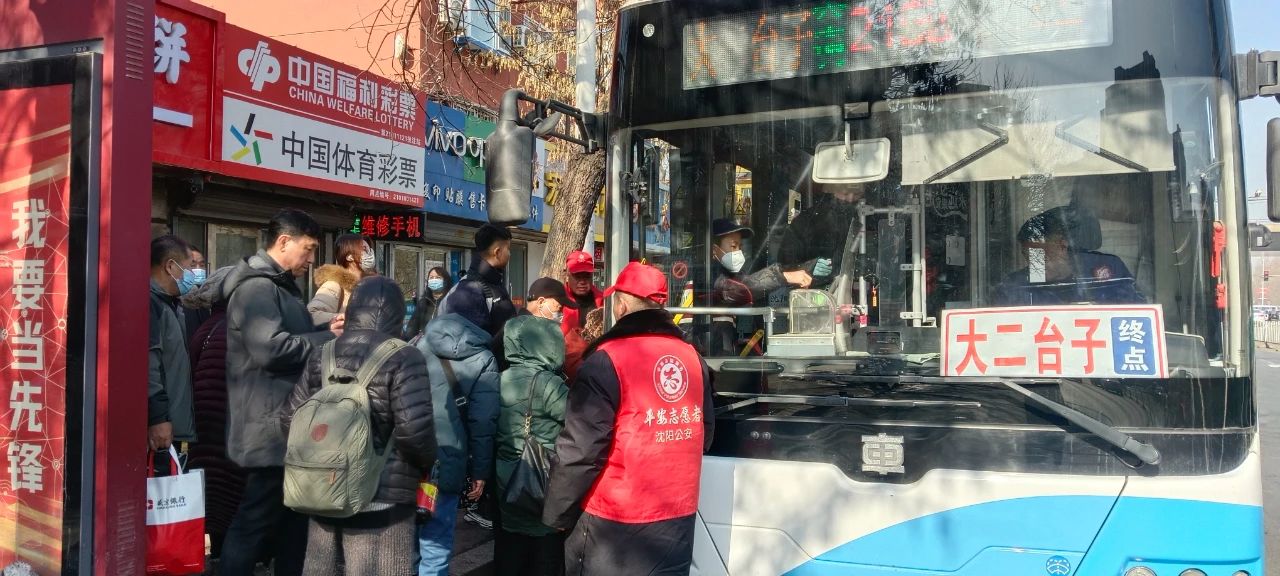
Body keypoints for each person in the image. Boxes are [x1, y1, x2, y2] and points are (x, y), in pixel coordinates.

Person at [543, 262, 715, 576]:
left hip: (612, 525)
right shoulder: (692, 357)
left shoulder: (607, 359)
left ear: (621, 305)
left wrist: (556, 513)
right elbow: (706, 432)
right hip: (677, 518)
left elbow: (580, 451)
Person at [284, 276, 437, 576]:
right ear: (398, 314)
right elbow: (414, 433)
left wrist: (323, 460)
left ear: (352, 309)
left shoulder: (323, 353)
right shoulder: (405, 356)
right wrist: (429, 462)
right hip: (383, 500)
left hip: (323, 493)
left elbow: (290, 419)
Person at [219, 209, 342, 576]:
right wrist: (327, 338)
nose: (311, 259)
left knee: (292, 523)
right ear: (284, 242)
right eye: (309, 249)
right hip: (269, 428)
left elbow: (289, 337)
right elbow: (271, 349)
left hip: (284, 424)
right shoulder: (257, 287)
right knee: (255, 521)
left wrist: (324, 328)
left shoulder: (279, 286)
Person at [416, 310, 501, 576]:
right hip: (448, 461)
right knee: (436, 545)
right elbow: (483, 422)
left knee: (405, 542)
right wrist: (480, 472)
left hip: (410, 454)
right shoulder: (484, 358)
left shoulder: (418, 345)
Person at [494, 299, 570, 576]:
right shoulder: (550, 384)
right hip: (541, 477)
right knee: (544, 553)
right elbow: (579, 423)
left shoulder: (499, 378)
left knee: (510, 550)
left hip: (506, 477)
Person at [182, 266, 247, 568]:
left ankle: (219, 552)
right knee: (235, 494)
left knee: (213, 493)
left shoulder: (206, 328)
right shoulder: (243, 329)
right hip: (234, 425)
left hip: (204, 426)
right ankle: (233, 560)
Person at [993, 204, 1145, 306]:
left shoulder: (1108, 267)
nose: (1034, 263)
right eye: (1028, 256)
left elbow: (1136, 314)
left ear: (1062, 245)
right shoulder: (1014, 287)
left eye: (1039, 254)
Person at [709, 218, 813, 356]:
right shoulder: (710, 276)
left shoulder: (728, 274)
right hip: (708, 356)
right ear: (714, 250)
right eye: (733, 246)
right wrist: (782, 276)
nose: (738, 252)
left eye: (740, 247)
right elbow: (741, 289)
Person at [149, 236, 201, 454]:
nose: (193, 274)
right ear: (170, 266)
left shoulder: (170, 305)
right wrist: (158, 418)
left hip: (171, 427)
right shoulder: (151, 304)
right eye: (189, 267)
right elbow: (150, 366)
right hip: (160, 428)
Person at [777, 183, 866, 287]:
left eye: (857, 194)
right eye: (845, 193)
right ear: (831, 190)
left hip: (854, 287)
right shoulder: (805, 222)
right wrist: (809, 268)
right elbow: (785, 268)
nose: (850, 199)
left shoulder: (868, 219)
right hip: (809, 291)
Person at [439, 224, 517, 336]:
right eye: (508, 249)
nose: (510, 254)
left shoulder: (494, 282)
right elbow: (469, 343)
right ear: (497, 252)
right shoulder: (469, 291)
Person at [494, 277, 578, 371]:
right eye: (559, 308)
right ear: (541, 302)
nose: (561, 314)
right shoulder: (513, 330)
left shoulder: (540, 330)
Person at [309, 233, 375, 326]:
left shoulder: (373, 287)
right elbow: (312, 315)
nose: (370, 254)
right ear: (349, 257)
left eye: (369, 250)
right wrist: (347, 319)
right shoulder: (333, 285)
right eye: (364, 249)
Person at [405, 266, 453, 340]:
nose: (434, 280)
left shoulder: (451, 302)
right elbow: (412, 328)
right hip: (424, 344)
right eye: (431, 278)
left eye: (438, 277)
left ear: (445, 281)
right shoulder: (423, 302)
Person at [561, 250, 602, 333]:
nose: (582, 281)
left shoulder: (603, 300)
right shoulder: (557, 301)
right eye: (577, 276)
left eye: (586, 276)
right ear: (567, 275)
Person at [183, 246, 211, 344]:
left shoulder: (205, 299)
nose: (198, 269)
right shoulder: (178, 300)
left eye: (202, 265)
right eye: (193, 265)